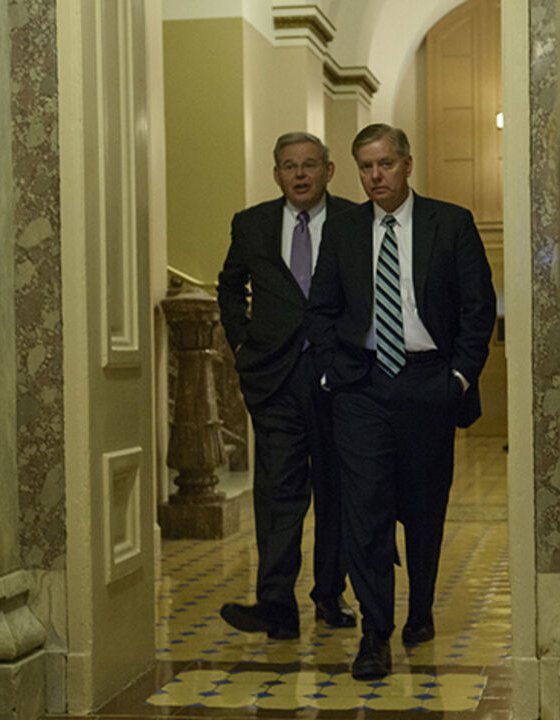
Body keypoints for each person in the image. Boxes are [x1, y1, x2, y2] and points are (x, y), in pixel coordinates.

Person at [306, 123, 496, 679]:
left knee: (422, 508)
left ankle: (420, 610)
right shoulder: (342, 231)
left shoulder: (450, 223)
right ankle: (374, 634)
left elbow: (477, 308)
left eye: (385, 164)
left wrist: (457, 378)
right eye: (365, 167)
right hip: (361, 387)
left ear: (407, 164)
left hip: (428, 383)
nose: (375, 177)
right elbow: (319, 311)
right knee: (363, 512)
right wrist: (332, 374)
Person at [216, 131, 358, 639]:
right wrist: (242, 346)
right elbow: (229, 286)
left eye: (309, 165)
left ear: (329, 170)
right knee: (278, 493)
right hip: (274, 379)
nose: (299, 174)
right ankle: (276, 603)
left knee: (336, 490)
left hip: (336, 379)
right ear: (276, 173)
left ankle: (329, 595)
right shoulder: (251, 224)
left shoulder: (352, 221)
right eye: (289, 166)